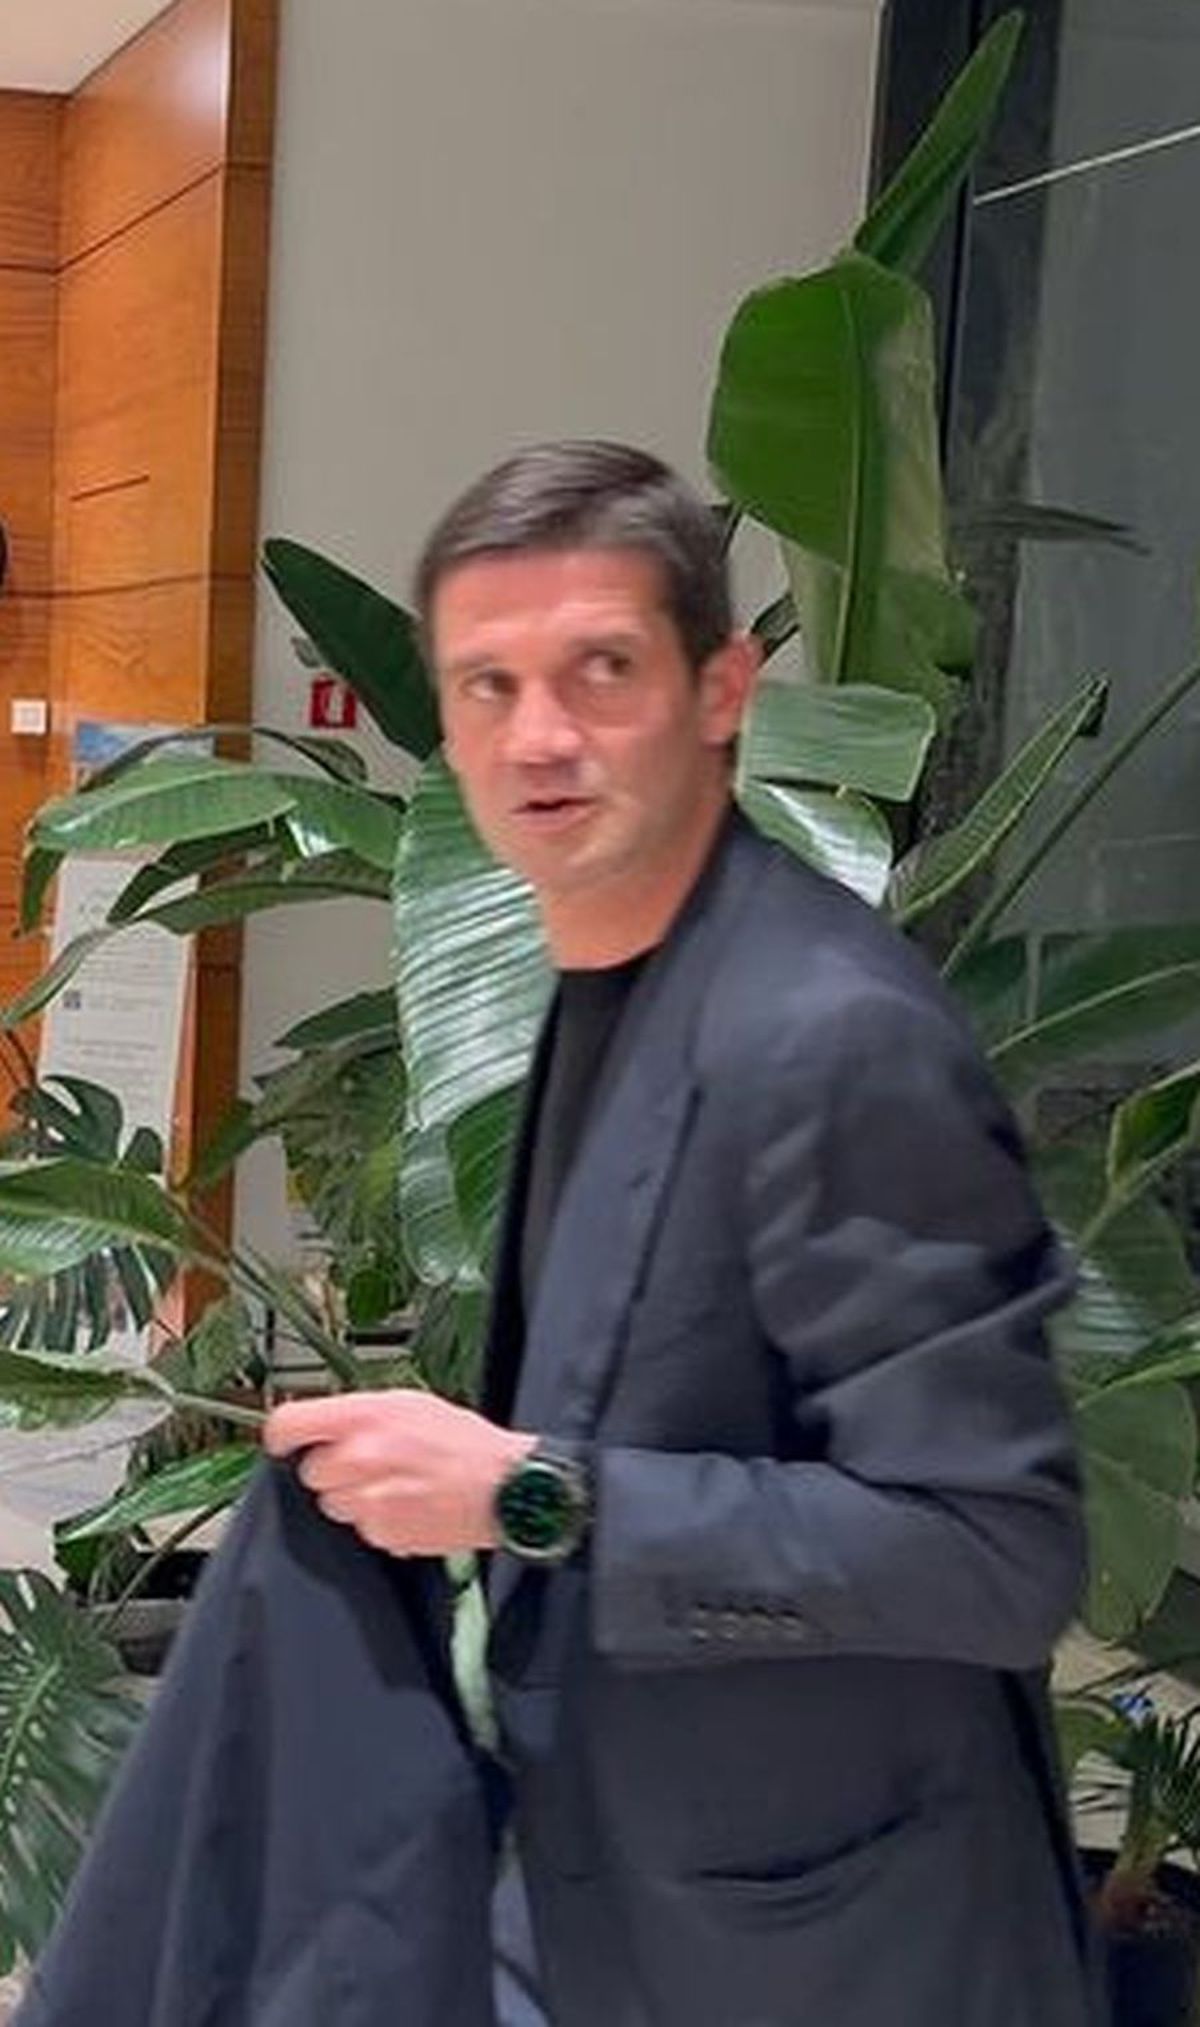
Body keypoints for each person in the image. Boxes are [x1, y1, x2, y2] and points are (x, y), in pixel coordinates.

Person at [265, 441, 1100, 2027]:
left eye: (602, 670)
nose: (541, 735)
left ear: (722, 692)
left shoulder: (833, 1035)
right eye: (490, 685)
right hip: (629, 1898)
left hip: (837, 1965)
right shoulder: (617, 980)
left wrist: (528, 1493)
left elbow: (999, 1558)